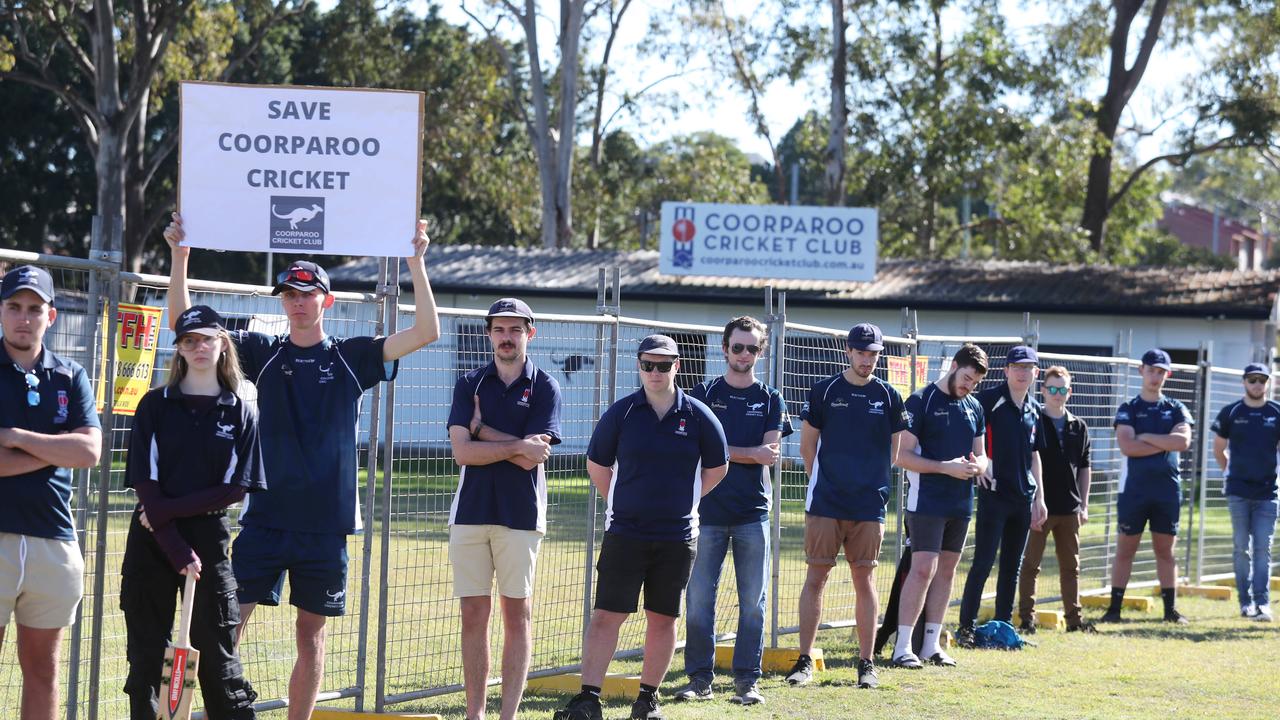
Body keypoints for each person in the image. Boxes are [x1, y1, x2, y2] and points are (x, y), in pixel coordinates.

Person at [164, 213, 441, 719]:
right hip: (266, 518)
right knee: (227, 626)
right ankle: (216, 712)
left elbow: (426, 330)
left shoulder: (352, 357)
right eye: (288, 295)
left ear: (326, 301)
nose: (296, 303)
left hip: (326, 526)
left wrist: (416, 262)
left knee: (311, 640)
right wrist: (180, 257)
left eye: (306, 293)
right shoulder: (263, 351)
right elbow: (187, 325)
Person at [554, 335, 728, 720]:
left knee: (663, 618)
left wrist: (686, 501)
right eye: (647, 364)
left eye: (663, 365)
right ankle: (588, 699)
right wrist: (621, 502)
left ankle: (647, 700)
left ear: (676, 367)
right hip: (625, 533)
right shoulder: (622, 413)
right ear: (638, 365)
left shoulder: (698, 415)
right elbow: (598, 465)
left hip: (678, 537)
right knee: (606, 615)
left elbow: (718, 467)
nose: (654, 372)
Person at [121, 305, 263, 719]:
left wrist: (164, 512)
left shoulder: (239, 410)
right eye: (189, 340)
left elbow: (236, 487)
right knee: (146, 656)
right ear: (179, 350)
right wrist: (170, 539)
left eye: (207, 338)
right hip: (151, 540)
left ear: (223, 344)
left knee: (219, 657)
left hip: (206, 539)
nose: (199, 347)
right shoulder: (154, 405)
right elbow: (143, 478)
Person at [447, 298, 562, 720]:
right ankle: (475, 715)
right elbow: (462, 453)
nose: (507, 337)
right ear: (489, 333)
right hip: (471, 513)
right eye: (499, 329)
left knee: (518, 614)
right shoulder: (469, 383)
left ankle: (507, 716)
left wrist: (482, 431)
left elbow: (536, 457)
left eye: (516, 329)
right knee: (473, 614)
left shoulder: (546, 385)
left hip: (522, 515)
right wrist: (513, 443)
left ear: (530, 333)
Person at [0, 265, 101, 720]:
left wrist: (18, 437)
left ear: (51, 316)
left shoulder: (70, 375)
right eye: (14, 307)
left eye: (34, 309)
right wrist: (59, 449)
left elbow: (91, 451)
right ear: (1, 312)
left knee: (43, 670)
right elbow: (74, 450)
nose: (24, 318)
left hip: (54, 541)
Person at [674, 316, 791, 705]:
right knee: (698, 601)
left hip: (753, 515)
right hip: (706, 513)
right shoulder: (703, 393)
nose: (744, 354)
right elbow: (695, 450)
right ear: (724, 349)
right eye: (737, 347)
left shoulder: (772, 398)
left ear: (762, 351)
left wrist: (731, 453)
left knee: (753, 604)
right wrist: (748, 453)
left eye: (752, 348)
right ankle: (699, 680)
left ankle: (746, 681)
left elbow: (770, 454)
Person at [787, 323, 905, 690]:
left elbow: (894, 451)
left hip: (869, 506)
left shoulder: (889, 395)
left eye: (873, 354)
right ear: (848, 352)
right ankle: (805, 659)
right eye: (861, 352)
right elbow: (808, 447)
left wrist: (873, 484)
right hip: (825, 503)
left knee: (864, 580)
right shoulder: (825, 391)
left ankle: (866, 663)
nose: (867, 360)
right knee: (816, 577)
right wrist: (826, 482)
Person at [891, 343, 989, 668]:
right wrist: (945, 466)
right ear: (954, 366)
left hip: (961, 502)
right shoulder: (920, 401)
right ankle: (902, 646)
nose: (969, 386)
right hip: (926, 501)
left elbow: (983, 453)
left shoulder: (974, 406)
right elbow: (902, 456)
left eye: (975, 383)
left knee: (947, 571)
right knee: (922, 570)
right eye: (966, 378)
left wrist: (981, 466)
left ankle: (931, 645)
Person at [957, 346, 1047, 644]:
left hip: (1023, 498)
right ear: (1006, 370)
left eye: (1028, 368)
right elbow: (965, 428)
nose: (1022, 373)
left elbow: (1035, 456)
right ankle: (966, 627)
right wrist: (978, 464)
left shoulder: (1034, 409)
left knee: (1012, 565)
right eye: (1017, 367)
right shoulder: (987, 400)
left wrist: (1040, 497)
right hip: (993, 496)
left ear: (1036, 373)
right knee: (983, 562)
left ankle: (1004, 625)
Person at [1102, 348, 1192, 624]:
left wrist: (1148, 436)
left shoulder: (1176, 407)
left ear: (1168, 374)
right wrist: (1163, 439)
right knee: (1125, 550)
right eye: (1151, 370)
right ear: (1141, 371)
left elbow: (1182, 442)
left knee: (1165, 551)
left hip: (1167, 491)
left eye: (1161, 371)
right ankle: (1114, 609)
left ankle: (1170, 611)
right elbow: (1128, 446)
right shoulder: (1128, 408)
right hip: (1134, 492)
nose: (1155, 376)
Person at [1017, 365, 1094, 633]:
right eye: (1052, 389)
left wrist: (1083, 505)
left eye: (1062, 389)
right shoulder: (1033, 421)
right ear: (1043, 390)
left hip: (1069, 508)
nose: (1057, 394)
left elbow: (1085, 468)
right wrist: (1033, 500)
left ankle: (1074, 621)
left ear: (1069, 392)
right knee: (1030, 565)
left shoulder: (1079, 426)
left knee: (1071, 567)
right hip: (1039, 507)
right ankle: (1026, 619)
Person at [1211, 363, 1280, 622]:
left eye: (1262, 380)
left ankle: (1263, 604)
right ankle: (1245, 602)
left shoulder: (1276, 412)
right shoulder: (1231, 413)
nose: (1257, 384)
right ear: (1244, 382)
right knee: (1242, 548)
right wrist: (1229, 470)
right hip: (1238, 492)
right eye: (1252, 380)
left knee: (1264, 548)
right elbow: (1218, 448)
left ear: (1268, 383)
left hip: (1268, 493)